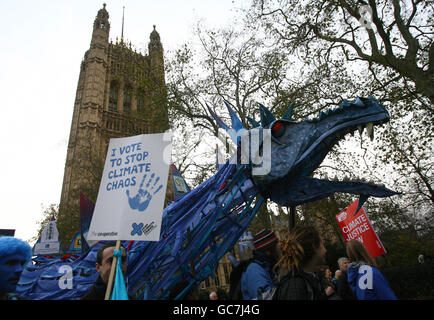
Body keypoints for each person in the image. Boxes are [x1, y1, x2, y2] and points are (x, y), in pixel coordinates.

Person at [274, 225, 336, 300]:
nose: (325, 250)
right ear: (314, 247)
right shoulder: (295, 286)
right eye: (322, 244)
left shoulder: (308, 278)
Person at [240, 229, 280, 300]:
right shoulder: (254, 270)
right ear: (268, 250)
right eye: (276, 243)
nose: (279, 247)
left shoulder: (268, 266)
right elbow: (267, 297)